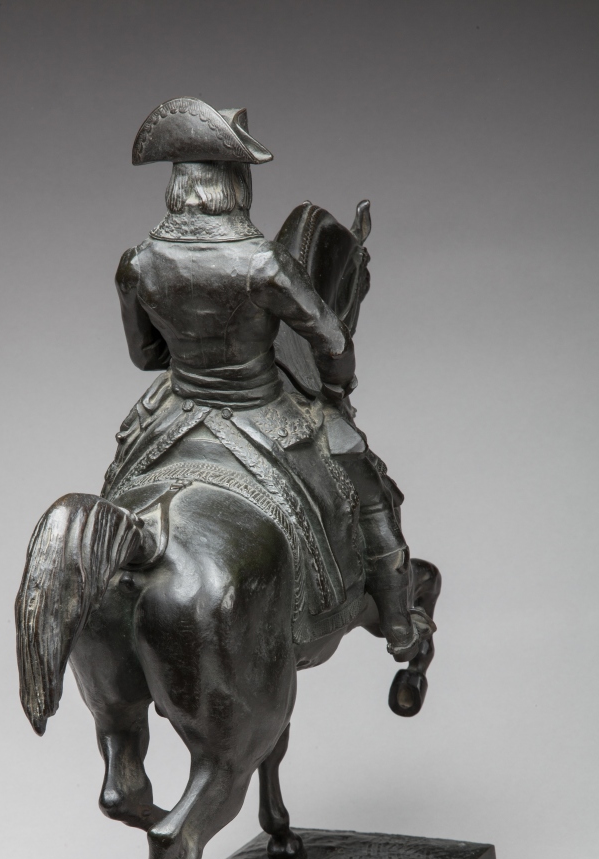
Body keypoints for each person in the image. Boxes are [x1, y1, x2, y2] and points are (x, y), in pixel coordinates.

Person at [114, 97, 432, 661]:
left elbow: (145, 356)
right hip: (263, 410)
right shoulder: (263, 263)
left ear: (179, 185)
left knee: (120, 483)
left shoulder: (138, 262)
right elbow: (332, 341)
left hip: (173, 413)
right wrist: (334, 389)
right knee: (367, 487)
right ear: (235, 185)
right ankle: (400, 622)